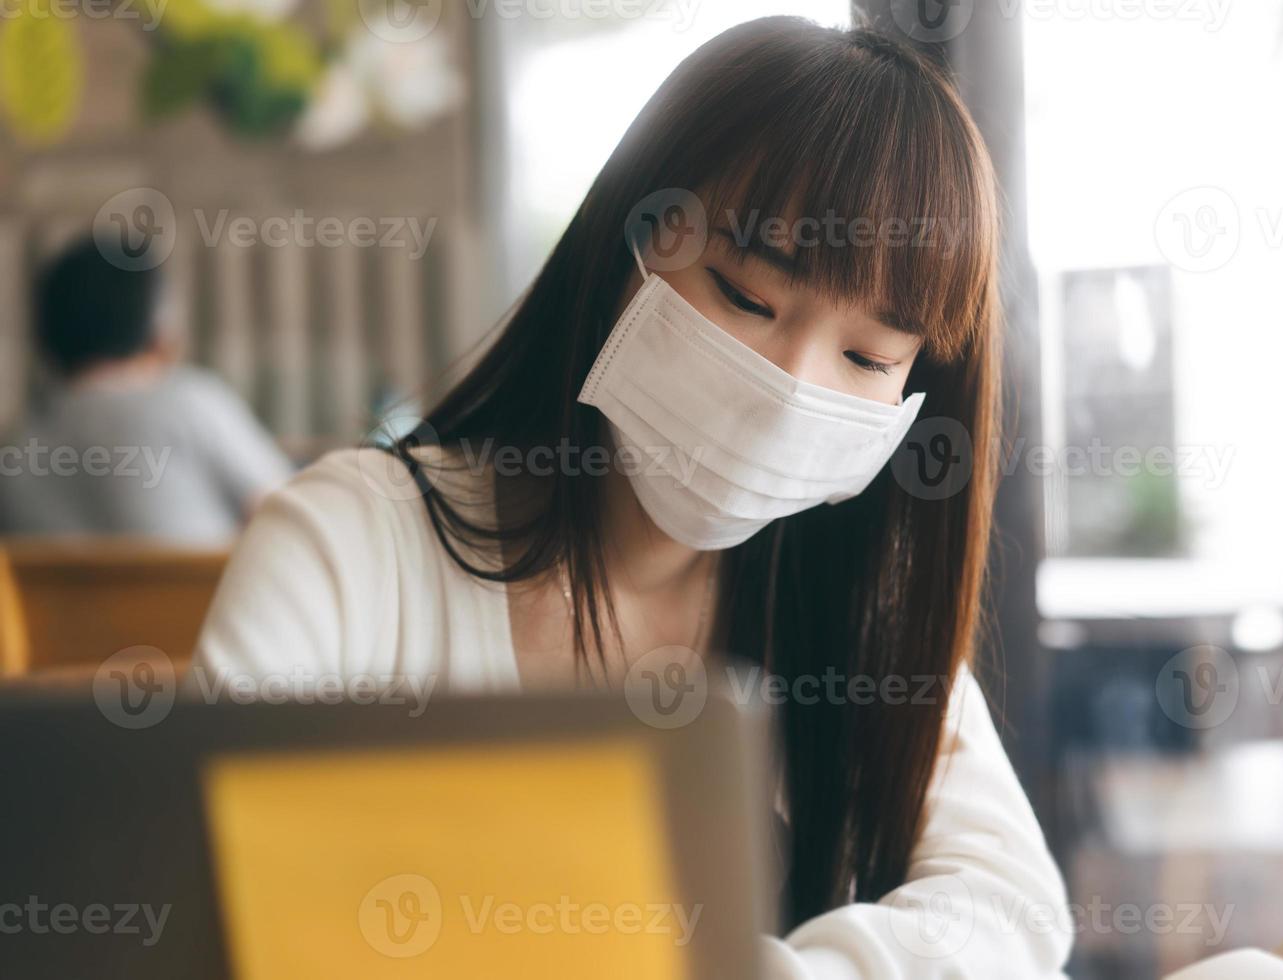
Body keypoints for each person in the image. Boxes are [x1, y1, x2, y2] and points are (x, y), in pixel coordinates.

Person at [195, 17, 1072, 977]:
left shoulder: (862, 610)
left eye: (867, 358)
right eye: (745, 295)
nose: (790, 390)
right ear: (633, 245)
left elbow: (1009, 909)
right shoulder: (351, 541)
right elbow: (195, 880)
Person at [0, 238, 292, 545]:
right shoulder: (191, 403)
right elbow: (293, 516)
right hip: (203, 593)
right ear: (160, 332)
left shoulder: (19, 446)